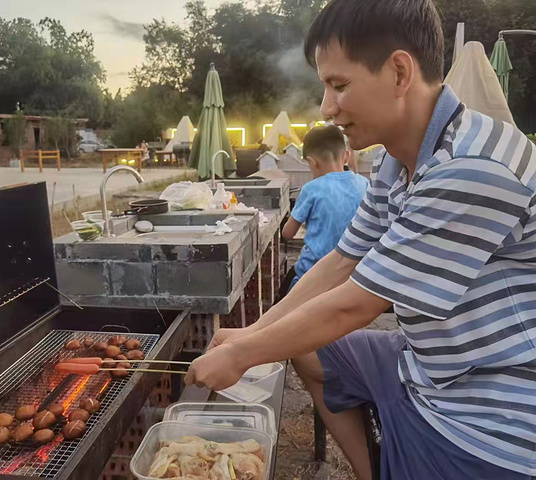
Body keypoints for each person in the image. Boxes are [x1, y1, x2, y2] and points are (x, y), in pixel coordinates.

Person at [184, 1, 536, 479]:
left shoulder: (471, 166)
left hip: (486, 410)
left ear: (398, 72)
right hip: (424, 362)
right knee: (304, 347)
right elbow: (340, 262)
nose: (327, 108)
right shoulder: (397, 158)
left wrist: (241, 356)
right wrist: (251, 335)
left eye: (339, 85)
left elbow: (356, 304)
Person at [282, 125, 368, 292]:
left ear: (312, 162)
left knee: (284, 295)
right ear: (347, 157)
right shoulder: (364, 184)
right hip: (355, 274)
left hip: (314, 273)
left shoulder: (311, 189)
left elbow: (288, 233)